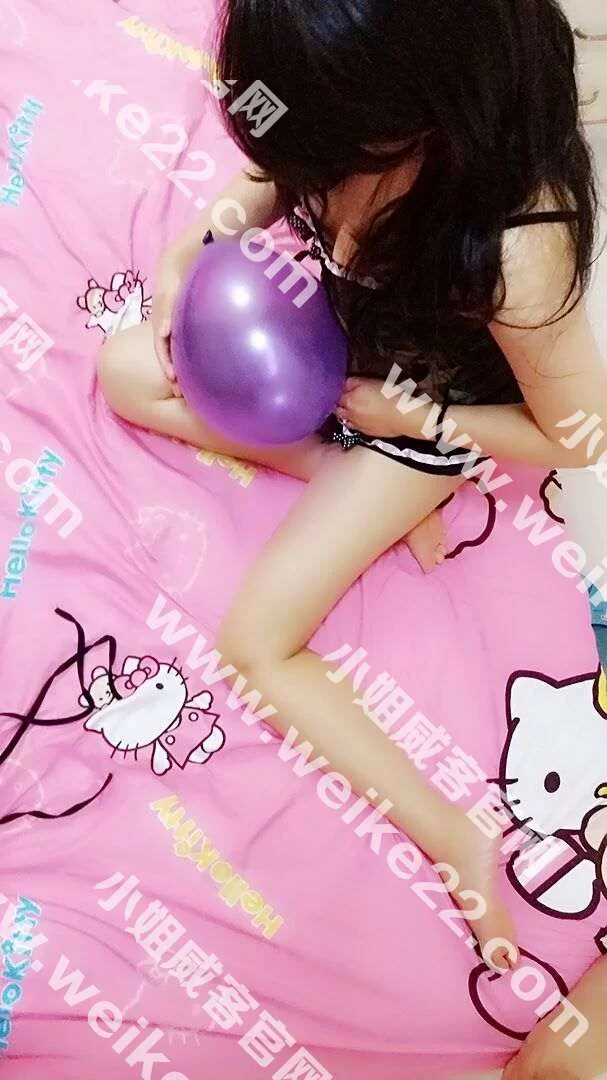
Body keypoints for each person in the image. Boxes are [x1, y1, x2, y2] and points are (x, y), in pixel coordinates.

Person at [98, 0, 607, 1038]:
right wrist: (192, 253)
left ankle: (453, 836)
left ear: (424, 120)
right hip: (325, 351)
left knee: (258, 641)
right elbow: (266, 174)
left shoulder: (517, 249)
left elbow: (578, 435)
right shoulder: (329, 128)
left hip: (423, 412)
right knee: (124, 373)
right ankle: (349, 484)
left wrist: (411, 419)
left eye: (334, 155)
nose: (312, 178)